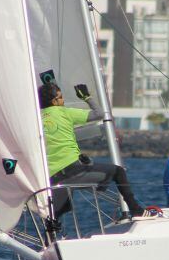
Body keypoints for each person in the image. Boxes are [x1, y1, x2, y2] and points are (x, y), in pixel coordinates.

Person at [39, 82, 143, 219]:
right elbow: (99, 114)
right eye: (60, 97)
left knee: (58, 212)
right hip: (73, 170)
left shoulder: (36, 118)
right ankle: (136, 210)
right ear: (54, 101)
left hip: (52, 177)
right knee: (118, 172)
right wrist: (86, 97)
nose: (63, 100)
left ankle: (52, 236)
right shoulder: (64, 112)